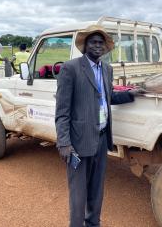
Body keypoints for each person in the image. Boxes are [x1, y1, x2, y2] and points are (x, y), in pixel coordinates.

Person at [55, 25, 143, 227]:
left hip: (102, 139)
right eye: (93, 42)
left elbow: (107, 96)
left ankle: (93, 223)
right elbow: (62, 111)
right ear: (85, 45)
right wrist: (64, 143)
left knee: (96, 188)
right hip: (78, 142)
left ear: (105, 48)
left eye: (101, 43)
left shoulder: (107, 69)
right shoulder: (71, 68)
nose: (97, 46)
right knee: (78, 192)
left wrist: (131, 94)